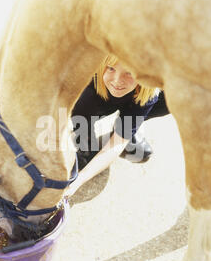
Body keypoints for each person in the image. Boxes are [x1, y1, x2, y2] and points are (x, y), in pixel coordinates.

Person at [67, 54, 169, 197]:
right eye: (111, 68)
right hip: (97, 92)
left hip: (136, 95)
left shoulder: (149, 88)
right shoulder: (89, 72)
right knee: (81, 109)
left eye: (130, 72)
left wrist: (79, 180)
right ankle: (84, 135)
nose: (117, 81)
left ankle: (127, 124)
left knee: (171, 99)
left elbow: (117, 144)